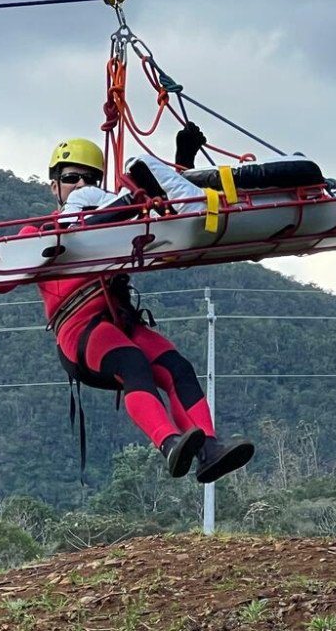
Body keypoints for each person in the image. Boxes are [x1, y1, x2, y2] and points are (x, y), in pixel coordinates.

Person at [25, 126, 255, 482]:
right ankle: (169, 443)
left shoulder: (117, 219)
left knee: (177, 367)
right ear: (54, 186)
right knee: (132, 363)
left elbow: (165, 206)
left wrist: (183, 160)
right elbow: (8, 276)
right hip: (80, 331)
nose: (82, 187)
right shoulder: (38, 232)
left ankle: (209, 449)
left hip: (121, 322)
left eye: (90, 179)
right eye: (72, 179)